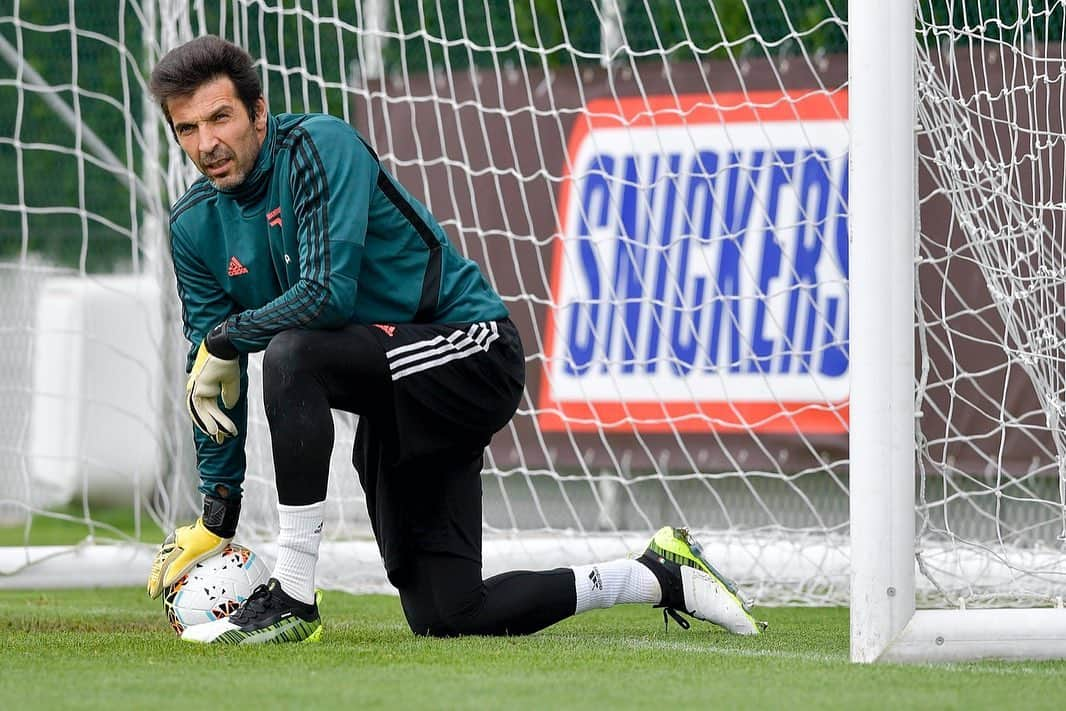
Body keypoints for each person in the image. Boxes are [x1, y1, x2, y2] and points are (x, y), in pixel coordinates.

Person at [144, 35, 763, 644]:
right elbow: (210, 376)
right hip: (393, 391)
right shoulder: (193, 225)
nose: (207, 144)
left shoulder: (316, 145)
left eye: (219, 118)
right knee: (448, 613)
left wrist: (227, 339)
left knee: (291, 352)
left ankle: (293, 595)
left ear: (257, 112)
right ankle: (655, 575)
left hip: (468, 348)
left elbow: (324, 296)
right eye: (188, 130)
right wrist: (217, 510)